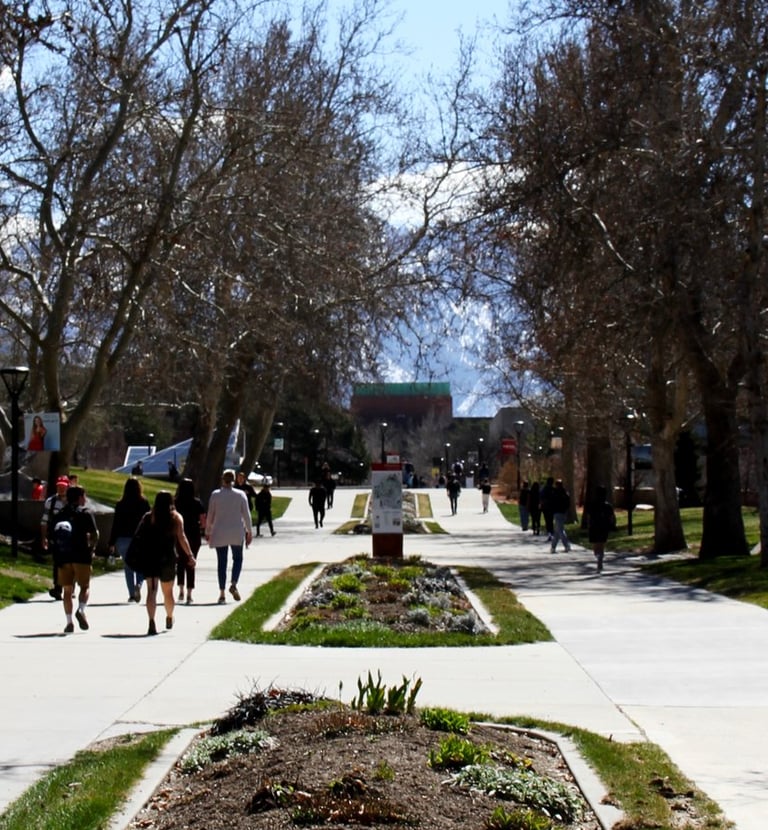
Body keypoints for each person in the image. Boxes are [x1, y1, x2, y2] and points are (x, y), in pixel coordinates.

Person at [136, 491, 195, 635]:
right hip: (167, 558)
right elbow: (182, 537)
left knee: (151, 591)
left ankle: (151, 621)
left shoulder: (148, 517)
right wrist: (190, 555)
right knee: (167, 592)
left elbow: (139, 535)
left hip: (151, 557)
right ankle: (169, 616)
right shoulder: (176, 517)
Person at [53, 485, 99, 633]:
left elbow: (52, 534)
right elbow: (95, 534)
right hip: (81, 555)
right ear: (79, 498)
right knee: (84, 587)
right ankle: (81, 609)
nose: (85, 499)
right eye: (84, 496)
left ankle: (69, 622)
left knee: (67, 590)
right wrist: (92, 548)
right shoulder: (85, 513)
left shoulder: (60, 514)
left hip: (63, 556)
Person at [206, 469, 253, 603]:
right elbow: (246, 515)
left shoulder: (215, 495)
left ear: (222, 479)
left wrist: (208, 531)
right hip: (236, 531)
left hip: (219, 532)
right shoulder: (240, 495)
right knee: (237, 559)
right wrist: (249, 531)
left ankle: (221, 593)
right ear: (233, 480)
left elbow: (210, 515)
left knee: (222, 562)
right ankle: (233, 583)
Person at [108, 476, 150, 602]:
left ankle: (132, 594)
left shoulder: (120, 504)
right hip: (139, 538)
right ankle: (139, 584)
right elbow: (148, 522)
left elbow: (116, 524)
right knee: (140, 565)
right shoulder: (144, 503)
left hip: (122, 539)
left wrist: (111, 542)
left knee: (128, 566)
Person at [174, 477, 206, 603]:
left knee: (180, 562)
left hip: (179, 534)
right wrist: (203, 528)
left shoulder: (175, 502)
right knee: (191, 562)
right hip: (194, 535)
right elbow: (203, 520)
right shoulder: (197, 503)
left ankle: (181, 589)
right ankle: (189, 593)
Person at [41, 475, 70, 600]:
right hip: (56, 537)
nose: (61, 489)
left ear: (68, 487)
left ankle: (69, 587)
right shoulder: (50, 502)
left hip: (71, 537)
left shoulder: (72, 502)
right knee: (58, 562)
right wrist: (44, 537)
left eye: (63, 486)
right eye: (59, 486)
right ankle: (57, 588)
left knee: (69, 562)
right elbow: (44, 521)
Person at [584, 485, 616, 572]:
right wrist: (612, 525)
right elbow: (612, 517)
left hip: (594, 526)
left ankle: (599, 557)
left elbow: (589, 516)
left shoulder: (592, 505)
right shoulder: (608, 506)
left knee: (596, 545)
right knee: (602, 544)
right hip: (604, 527)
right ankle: (600, 557)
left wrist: (588, 525)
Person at [550, 478, 572, 553]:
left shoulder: (555, 493)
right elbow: (568, 503)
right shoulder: (565, 493)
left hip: (557, 513)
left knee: (560, 530)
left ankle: (567, 545)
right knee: (557, 530)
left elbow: (552, 502)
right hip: (563, 513)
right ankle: (553, 547)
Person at [540, 476, 555, 541]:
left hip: (546, 507)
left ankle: (549, 533)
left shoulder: (544, 489)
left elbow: (541, 497)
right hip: (551, 507)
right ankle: (551, 532)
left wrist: (542, 504)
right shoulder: (553, 489)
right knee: (550, 520)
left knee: (547, 520)